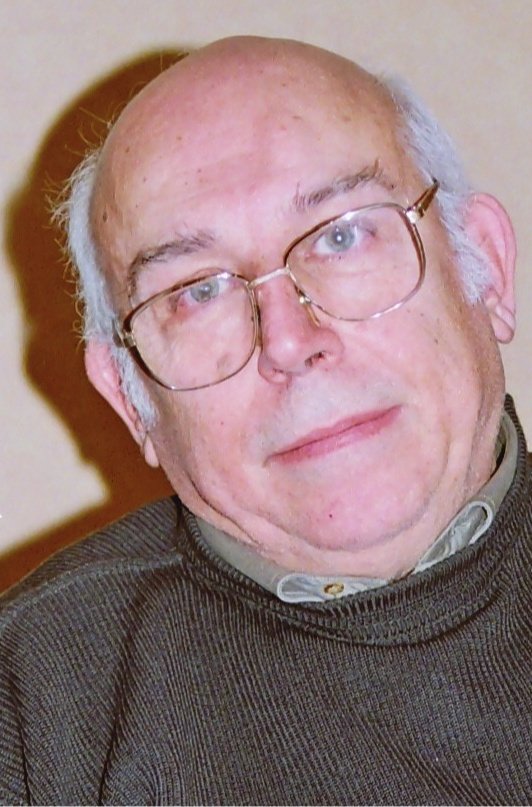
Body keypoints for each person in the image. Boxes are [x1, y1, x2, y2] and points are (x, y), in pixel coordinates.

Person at [1, 34, 530, 805]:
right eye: (198, 292)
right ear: (128, 395)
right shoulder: (31, 714)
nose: (287, 340)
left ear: (487, 267)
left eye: (342, 235)